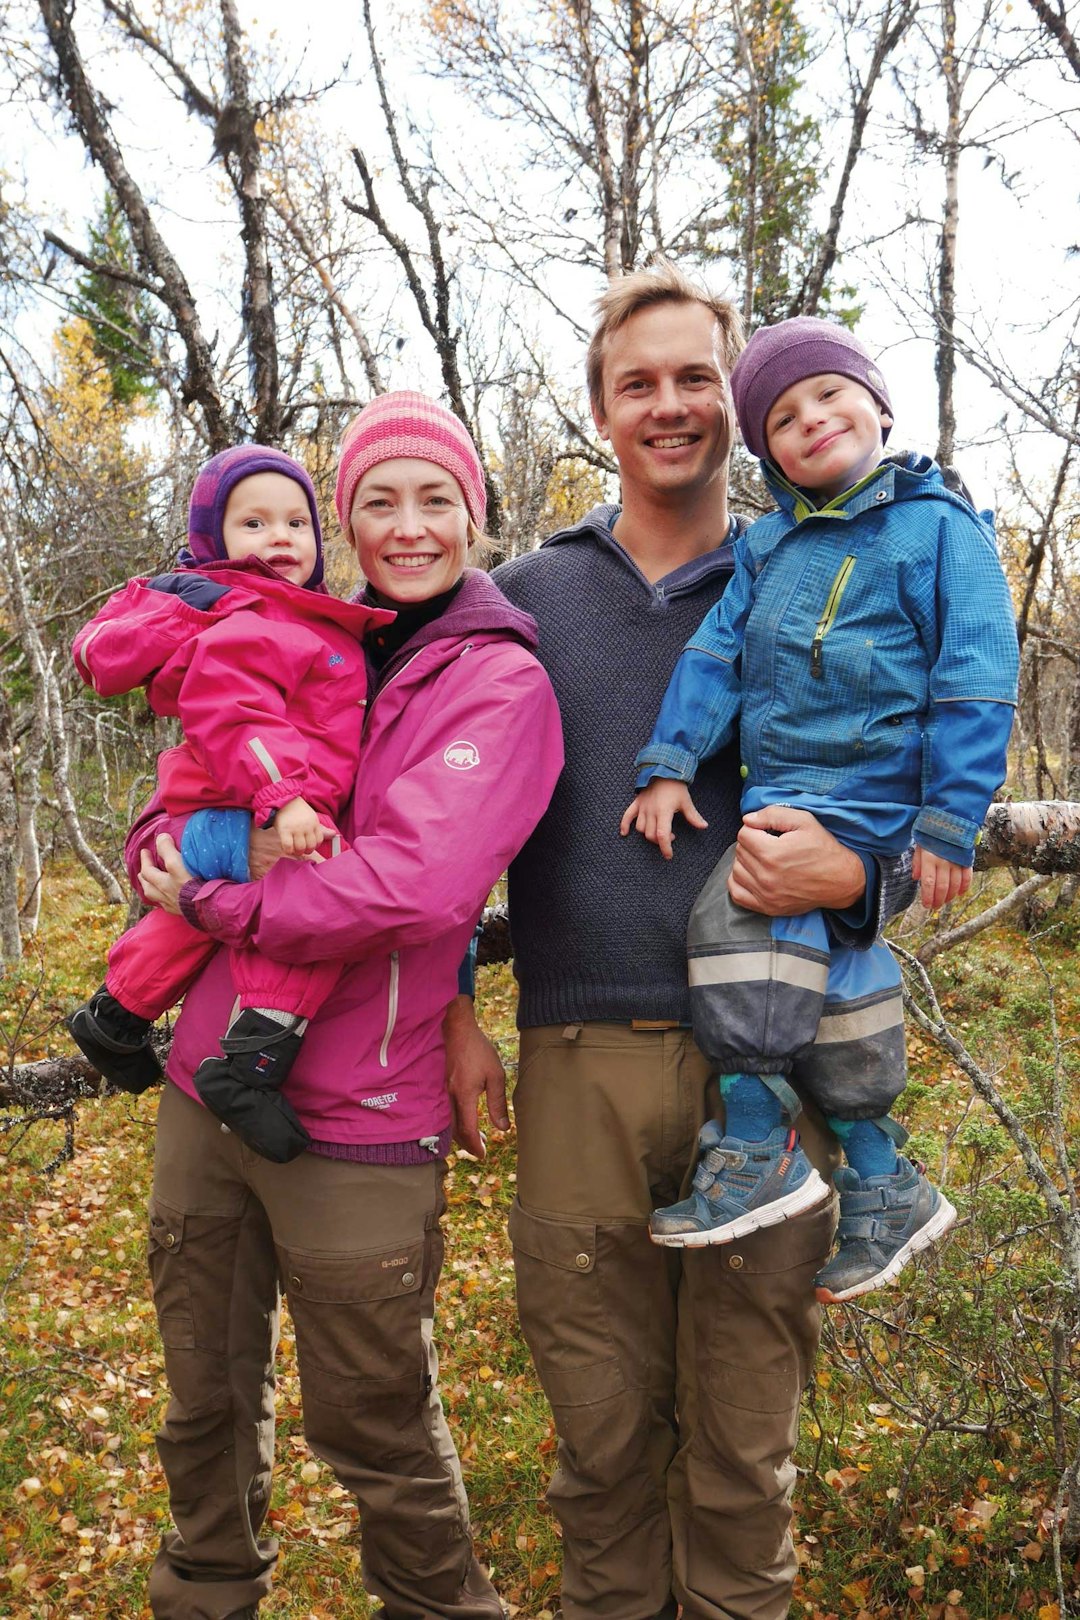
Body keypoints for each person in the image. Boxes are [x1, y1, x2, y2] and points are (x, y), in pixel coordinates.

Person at [446, 262, 923, 1620]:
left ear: (740, 397)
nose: (670, 405)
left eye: (695, 377)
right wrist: (444, 1011)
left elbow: (912, 774)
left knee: (740, 1463)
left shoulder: (824, 569)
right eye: (637, 382)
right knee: (598, 1456)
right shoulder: (523, 599)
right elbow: (439, 818)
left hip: (767, 1069)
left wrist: (866, 873)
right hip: (577, 1059)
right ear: (600, 409)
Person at [123, 391, 564, 1619]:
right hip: (203, 1090)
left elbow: (415, 888)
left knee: (372, 1423)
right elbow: (183, 793)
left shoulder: (497, 681)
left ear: (475, 516)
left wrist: (215, 902)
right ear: (343, 523)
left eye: (438, 501)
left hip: (358, 1114)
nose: (409, 526)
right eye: (379, 501)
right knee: (201, 1401)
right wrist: (173, 848)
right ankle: (207, 1592)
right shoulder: (300, 631)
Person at [621, 317, 1018, 1303]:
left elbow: (977, 674)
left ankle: (757, 1138)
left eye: (828, 397)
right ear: (767, 453)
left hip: (879, 798)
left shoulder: (936, 529)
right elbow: (714, 656)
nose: (810, 422)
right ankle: (882, 1176)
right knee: (832, 976)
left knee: (735, 918)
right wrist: (672, 761)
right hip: (783, 793)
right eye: (782, 419)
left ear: (878, 406)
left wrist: (948, 817)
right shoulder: (767, 546)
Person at [68, 446, 393, 1162]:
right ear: (215, 543)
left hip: (224, 801)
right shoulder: (258, 617)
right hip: (252, 796)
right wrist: (285, 799)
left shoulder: (293, 614)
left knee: (191, 917)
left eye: (296, 523)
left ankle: (116, 1014)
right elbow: (238, 712)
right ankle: (251, 1063)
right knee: (317, 895)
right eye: (254, 523)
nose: (280, 538)